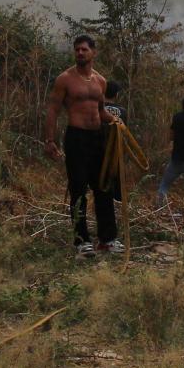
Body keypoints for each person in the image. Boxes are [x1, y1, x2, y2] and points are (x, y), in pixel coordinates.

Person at [45, 35, 122, 256]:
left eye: (84, 49)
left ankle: (107, 240)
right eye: (77, 49)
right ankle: (82, 241)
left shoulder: (100, 81)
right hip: (76, 138)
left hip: (97, 138)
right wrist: (49, 140)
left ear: (93, 52)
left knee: (104, 188)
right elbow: (53, 110)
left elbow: (101, 111)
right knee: (78, 190)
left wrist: (116, 122)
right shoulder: (65, 79)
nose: (80, 52)